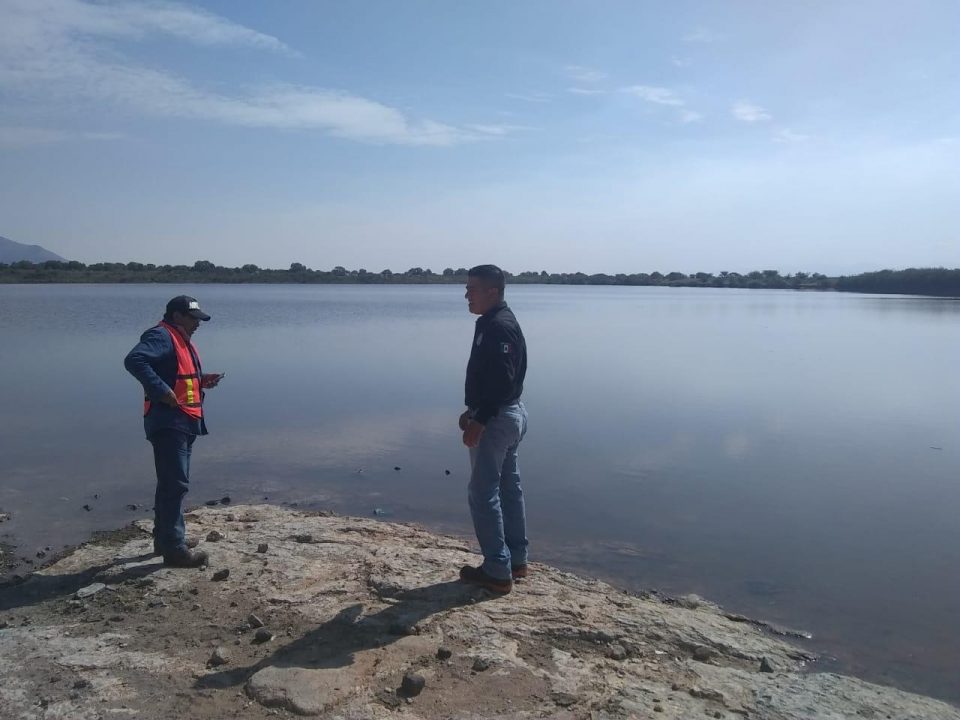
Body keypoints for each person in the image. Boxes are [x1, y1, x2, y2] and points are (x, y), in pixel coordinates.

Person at [124, 296, 223, 567]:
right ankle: (174, 550)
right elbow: (134, 360)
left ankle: (165, 539)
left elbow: (175, 374)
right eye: (193, 318)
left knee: (171, 484)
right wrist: (161, 390)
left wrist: (201, 381)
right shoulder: (161, 336)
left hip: (183, 420)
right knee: (175, 484)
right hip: (169, 423)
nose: (197, 324)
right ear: (177, 316)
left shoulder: (178, 338)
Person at [458, 264, 529, 595]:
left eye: (472, 289)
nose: (466, 295)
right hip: (509, 414)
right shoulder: (494, 321)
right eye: (467, 288)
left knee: (482, 493)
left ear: (493, 291)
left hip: (498, 420)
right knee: (508, 487)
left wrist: (481, 419)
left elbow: (502, 380)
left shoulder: (499, 326)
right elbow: (498, 378)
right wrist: (472, 410)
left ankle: (498, 570)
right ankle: (516, 561)